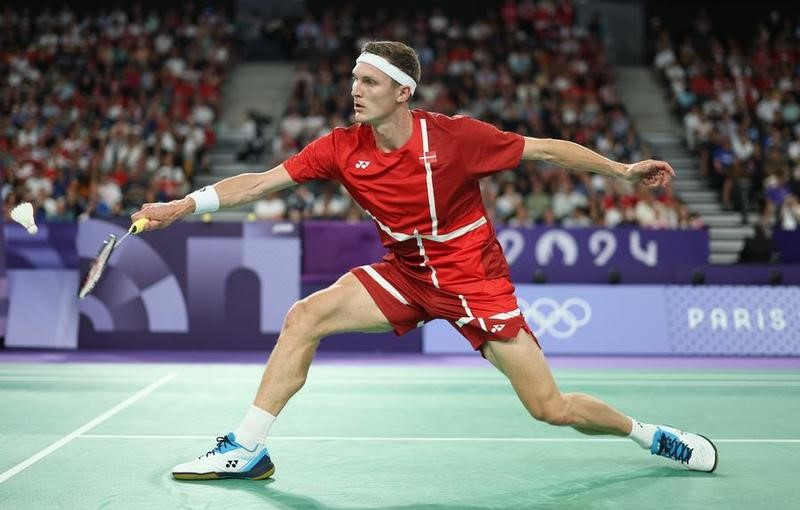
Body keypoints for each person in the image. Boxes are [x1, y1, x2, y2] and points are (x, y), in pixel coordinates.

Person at [132, 41, 717, 480]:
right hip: (407, 275)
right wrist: (184, 205)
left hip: (473, 280)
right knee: (304, 317)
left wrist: (620, 170)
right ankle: (247, 447)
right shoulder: (341, 146)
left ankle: (648, 435)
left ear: (402, 92)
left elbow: (544, 151)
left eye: (368, 82)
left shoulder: (456, 139)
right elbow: (261, 182)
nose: (355, 90)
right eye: (353, 80)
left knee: (550, 407)